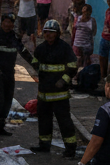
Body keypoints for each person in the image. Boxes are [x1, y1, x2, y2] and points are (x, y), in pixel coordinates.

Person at [30, 19, 78, 157]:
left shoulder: (64, 48)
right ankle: (44, 145)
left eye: (51, 32)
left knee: (64, 121)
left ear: (57, 33)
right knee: (44, 121)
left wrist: (64, 80)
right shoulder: (41, 48)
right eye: (46, 32)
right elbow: (35, 62)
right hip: (44, 93)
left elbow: (73, 66)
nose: (48, 35)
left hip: (59, 94)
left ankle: (70, 149)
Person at [72, 3, 96, 71]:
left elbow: (94, 33)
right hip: (77, 43)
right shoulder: (77, 18)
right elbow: (74, 29)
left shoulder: (92, 21)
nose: (85, 12)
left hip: (87, 45)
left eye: (87, 10)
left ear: (90, 12)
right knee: (77, 61)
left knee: (86, 63)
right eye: (84, 9)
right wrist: (72, 41)